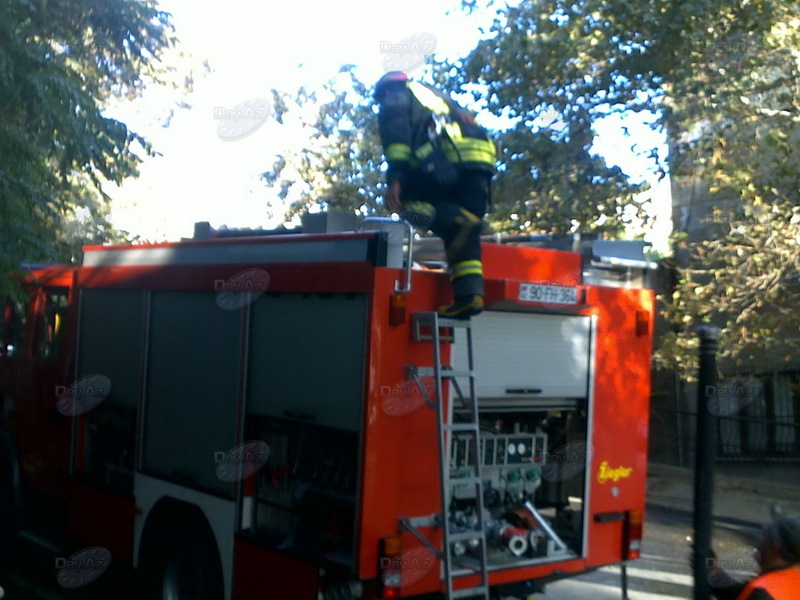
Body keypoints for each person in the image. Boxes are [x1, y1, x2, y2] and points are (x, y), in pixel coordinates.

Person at [374, 71, 496, 319]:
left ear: (384, 91)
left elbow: (397, 140)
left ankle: (450, 218)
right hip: (479, 163)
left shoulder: (395, 96)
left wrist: (395, 181)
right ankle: (468, 297)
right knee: (464, 232)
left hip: (447, 163)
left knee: (404, 204)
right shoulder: (434, 95)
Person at [704, 507, 800, 599]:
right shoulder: (791, 578)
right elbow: (741, 594)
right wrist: (711, 570)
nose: (758, 542)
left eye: (764, 536)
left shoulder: (763, 594)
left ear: (773, 547)